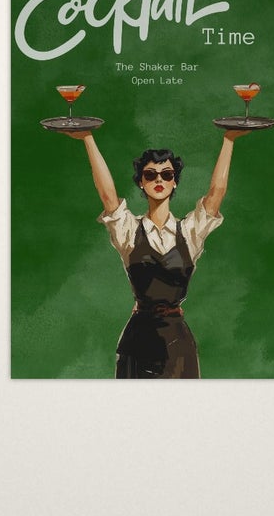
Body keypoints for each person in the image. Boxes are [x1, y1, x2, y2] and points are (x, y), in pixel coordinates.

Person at [68, 126, 251, 378]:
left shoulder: (189, 232)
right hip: (136, 343)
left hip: (178, 344)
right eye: (150, 175)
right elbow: (108, 195)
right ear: (141, 183)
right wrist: (87, 137)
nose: (159, 180)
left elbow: (216, 193)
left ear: (174, 181)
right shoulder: (129, 231)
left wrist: (229, 138)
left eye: (166, 174)